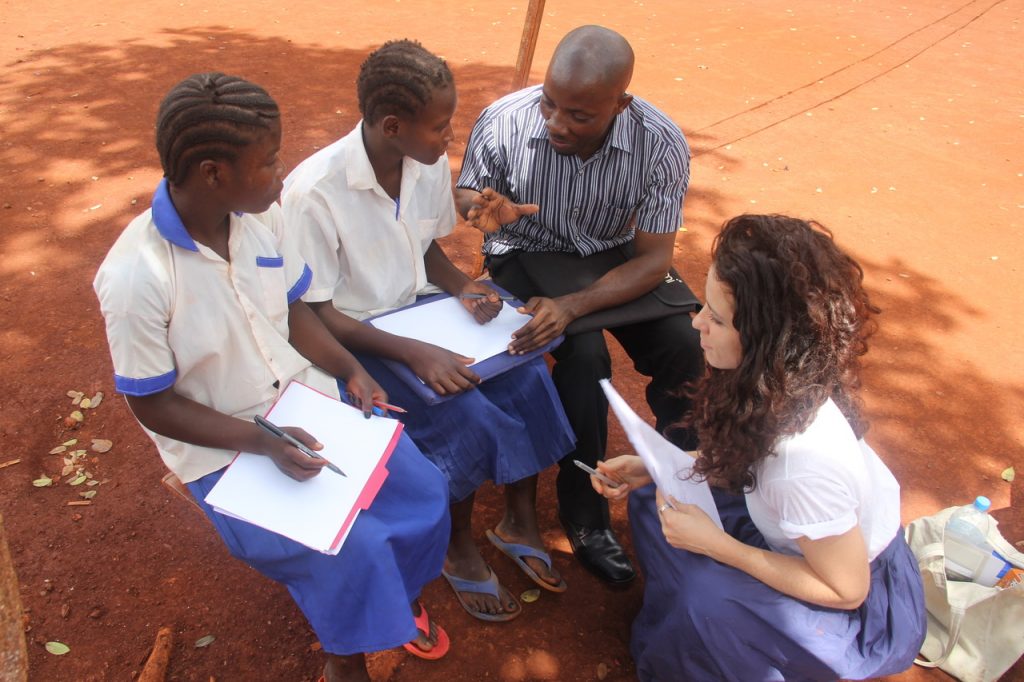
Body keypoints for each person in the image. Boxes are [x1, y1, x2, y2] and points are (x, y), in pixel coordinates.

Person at [93, 73, 453, 682]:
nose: (282, 174)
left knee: (422, 489)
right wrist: (265, 441)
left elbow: (290, 309)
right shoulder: (137, 278)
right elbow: (153, 405)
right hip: (227, 446)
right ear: (213, 173)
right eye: (268, 162)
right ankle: (346, 659)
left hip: (307, 403)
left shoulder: (261, 220)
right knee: (348, 548)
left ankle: (396, 596)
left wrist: (350, 370)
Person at [280, 40, 576, 622]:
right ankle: (457, 546)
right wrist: (417, 354)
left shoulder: (426, 163)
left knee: (529, 381)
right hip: (360, 339)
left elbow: (427, 251)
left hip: (420, 314)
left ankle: (518, 519)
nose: (450, 137)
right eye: (441, 126)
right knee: (462, 409)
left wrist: (462, 289)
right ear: (393, 125)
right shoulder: (313, 193)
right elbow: (313, 312)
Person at [590, 214, 927, 680]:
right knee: (657, 499)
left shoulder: (802, 466)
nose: (696, 324)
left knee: (705, 597)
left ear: (766, 339)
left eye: (717, 318)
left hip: (853, 608)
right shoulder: (777, 381)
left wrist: (722, 548)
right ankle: (685, 637)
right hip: (796, 534)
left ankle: (709, 644)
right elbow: (747, 458)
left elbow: (848, 590)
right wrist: (656, 467)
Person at [454, 25, 704, 584]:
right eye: (550, 103)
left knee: (687, 348)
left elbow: (653, 257)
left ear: (621, 104)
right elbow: (468, 192)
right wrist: (482, 209)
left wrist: (571, 304)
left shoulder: (660, 143)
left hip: (612, 258)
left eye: (580, 115)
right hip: (526, 249)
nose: (556, 123)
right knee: (585, 358)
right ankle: (586, 515)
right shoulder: (504, 120)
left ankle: (682, 484)